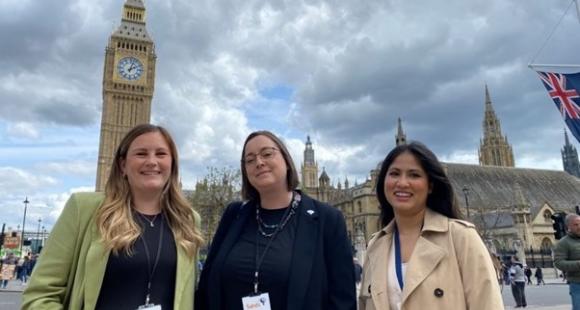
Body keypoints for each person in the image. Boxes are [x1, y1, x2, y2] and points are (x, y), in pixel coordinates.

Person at [22, 124, 203, 309]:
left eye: (161, 154)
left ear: (172, 165)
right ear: (122, 165)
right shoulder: (84, 209)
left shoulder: (188, 220)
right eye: (141, 154)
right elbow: (39, 295)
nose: (151, 161)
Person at [195, 130, 356, 310]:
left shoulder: (327, 219)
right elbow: (207, 287)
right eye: (250, 160)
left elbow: (343, 300)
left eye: (267, 154)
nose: (259, 162)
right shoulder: (234, 215)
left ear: (287, 161)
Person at [358, 141, 503, 310]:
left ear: (431, 186)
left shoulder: (461, 237)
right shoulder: (375, 246)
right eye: (395, 174)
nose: (402, 183)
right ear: (383, 182)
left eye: (414, 175)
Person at [554, 213, 580, 308]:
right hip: (577, 284)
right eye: (576, 224)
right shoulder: (563, 243)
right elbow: (559, 263)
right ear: (568, 226)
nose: (579, 227)